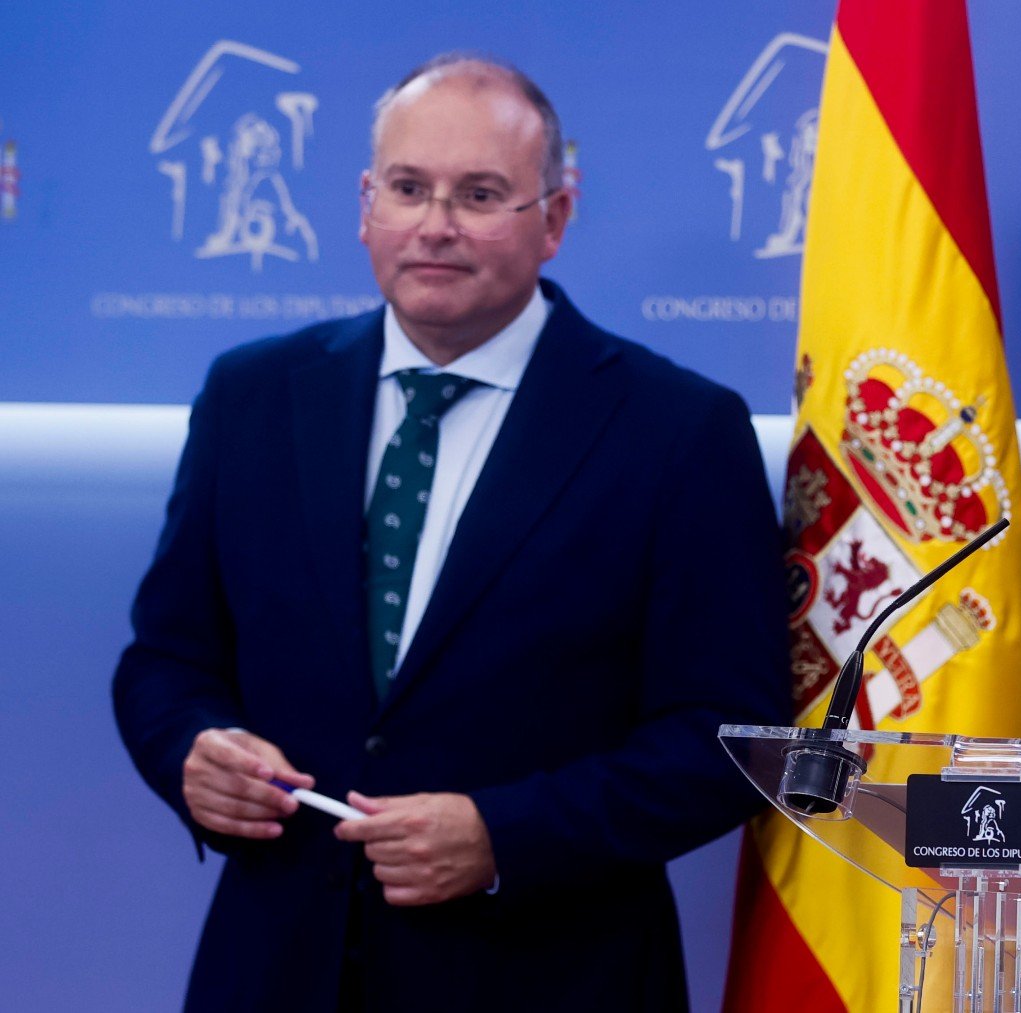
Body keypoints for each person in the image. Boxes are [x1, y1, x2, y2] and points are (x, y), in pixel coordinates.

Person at [112, 53, 790, 1011]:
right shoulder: (253, 396)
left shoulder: (676, 429)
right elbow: (164, 659)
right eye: (408, 188)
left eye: (480, 194)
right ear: (363, 204)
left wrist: (506, 835)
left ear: (554, 217)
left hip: (552, 976)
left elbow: (730, 740)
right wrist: (190, 747)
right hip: (274, 966)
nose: (435, 225)